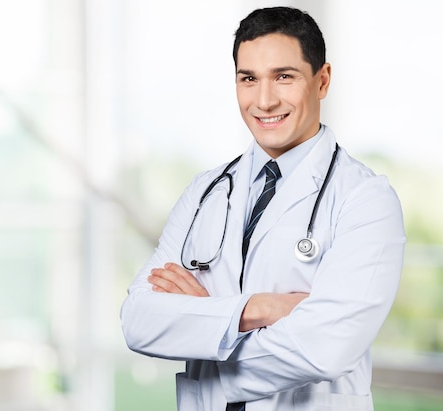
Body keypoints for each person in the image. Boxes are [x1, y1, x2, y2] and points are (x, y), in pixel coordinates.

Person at [120, 6, 405, 411]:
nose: (265, 100)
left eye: (284, 77)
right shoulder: (206, 192)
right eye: (248, 79)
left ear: (322, 81)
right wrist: (262, 308)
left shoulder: (366, 200)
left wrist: (204, 328)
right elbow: (139, 321)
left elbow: (324, 348)